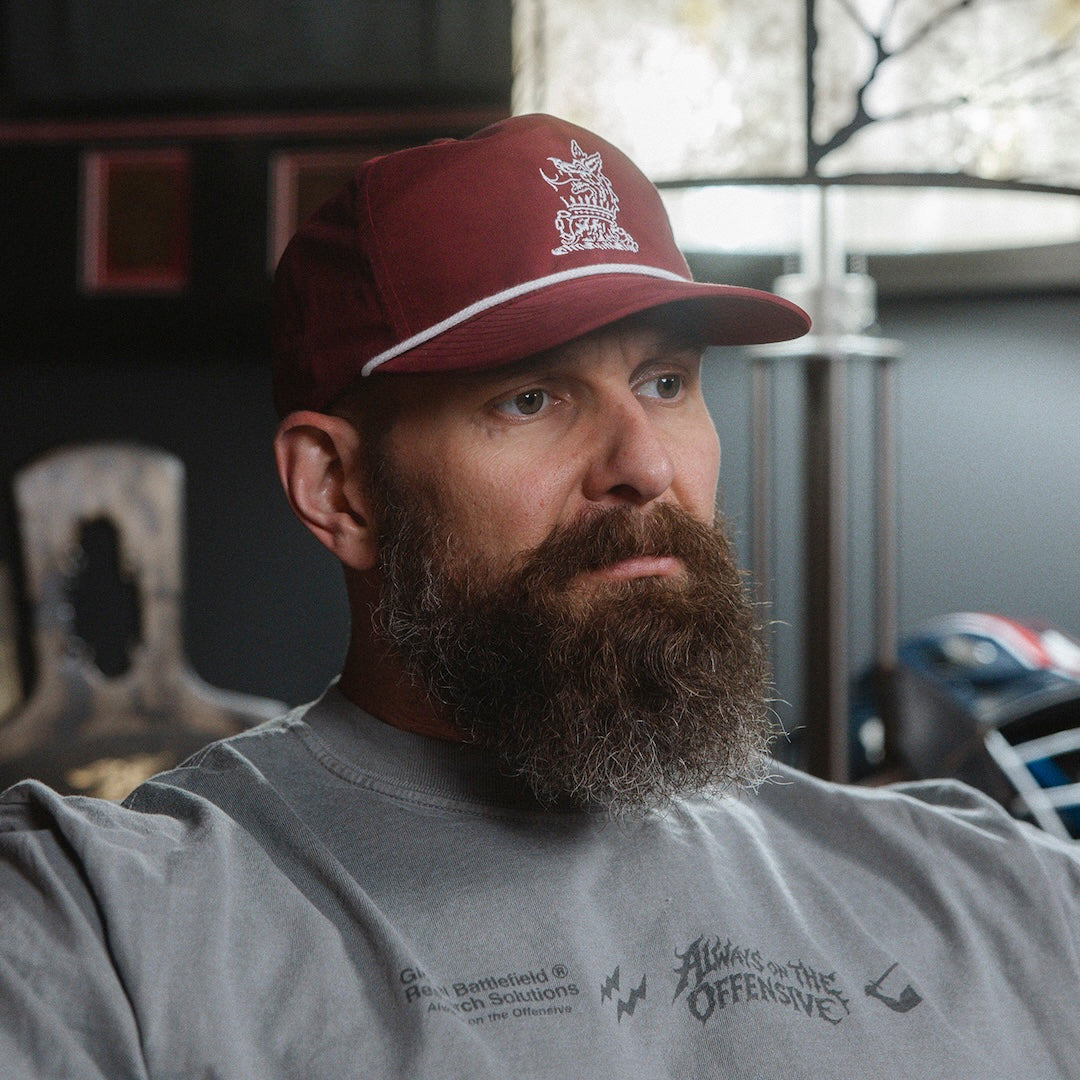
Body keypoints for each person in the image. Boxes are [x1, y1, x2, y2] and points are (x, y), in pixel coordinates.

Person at [1, 114, 1078, 1079]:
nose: (645, 465)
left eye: (665, 382)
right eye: (530, 398)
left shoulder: (995, 898)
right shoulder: (105, 932)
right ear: (339, 489)